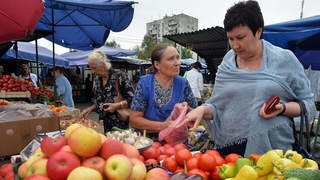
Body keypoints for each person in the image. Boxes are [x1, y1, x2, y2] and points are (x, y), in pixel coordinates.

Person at [178, 0, 316, 157]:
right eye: (231, 39)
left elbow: (308, 105)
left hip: (273, 151)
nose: (235, 45)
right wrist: (201, 110)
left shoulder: (284, 59)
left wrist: (282, 109)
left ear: (258, 32)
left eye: (240, 37)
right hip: (230, 148)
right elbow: (218, 106)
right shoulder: (228, 63)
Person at [129, 43, 197, 141]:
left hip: (176, 145)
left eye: (177, 58)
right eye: (171, 59)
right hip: (147, 144)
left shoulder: (183, 83)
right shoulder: (145, 83)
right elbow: (134, 120)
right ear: (157, 65)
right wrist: (162, 126)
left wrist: (186, 109)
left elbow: (195, 116)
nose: (177, 63)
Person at [80, 50, 134, 133]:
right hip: (102, 124)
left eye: (94, 68)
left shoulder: (120, 76)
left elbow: (132, 99)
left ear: (103, 65)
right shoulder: (97, 78)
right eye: (91, 68)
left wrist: (116, 106)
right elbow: (100, 101)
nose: (93, 71)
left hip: (118, 126)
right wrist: (91, 108)